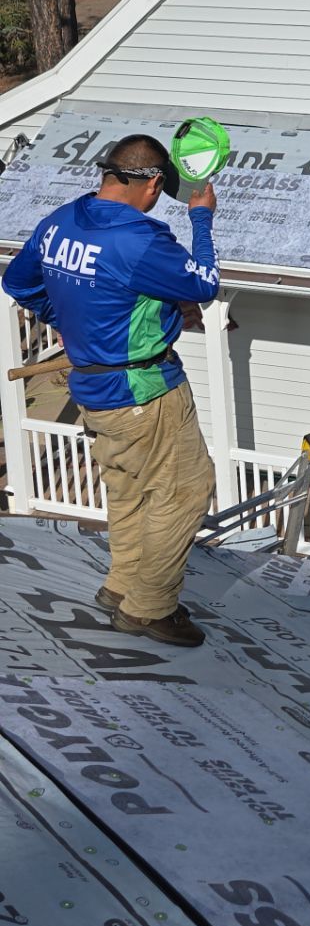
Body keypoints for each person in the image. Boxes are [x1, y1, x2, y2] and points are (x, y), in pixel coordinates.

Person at [3, 133, 221, 647]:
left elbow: (21, 283)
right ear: (150, 183)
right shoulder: (140, 239)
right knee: (184, 491)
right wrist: (202, 216)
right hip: (145, 392)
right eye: (162, 186)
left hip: (93, 390)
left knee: (127, 489)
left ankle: (122, 584)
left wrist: (74, 324)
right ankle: (147, 609)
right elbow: (205, 283)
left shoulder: (60, 223)